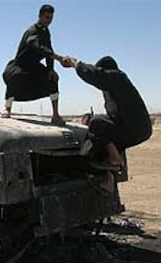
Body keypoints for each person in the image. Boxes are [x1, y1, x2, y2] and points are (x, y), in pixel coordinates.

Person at [64, 55, 152, 193]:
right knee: (105, 142)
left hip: (135, 128)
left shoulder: (117, 77)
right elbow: (114, 117)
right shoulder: (115, 89)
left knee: (97, 122)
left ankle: (115, 160)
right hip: (134, 129)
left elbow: (94, 74)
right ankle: (109, 182)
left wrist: (75, 64)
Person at [1, 4, 69, 124]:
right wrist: (59, 58)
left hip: (34, 66)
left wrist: (50, 69)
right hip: (20, 65)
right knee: (16, 76)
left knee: (53, 79)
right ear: (40, 16)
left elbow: (49, 51)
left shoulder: (46, 32)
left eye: (51, 18)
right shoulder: (32, 31)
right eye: (47, 17)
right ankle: (7, 108)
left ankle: (55, 115)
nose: (49, 21)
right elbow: (39, 47)